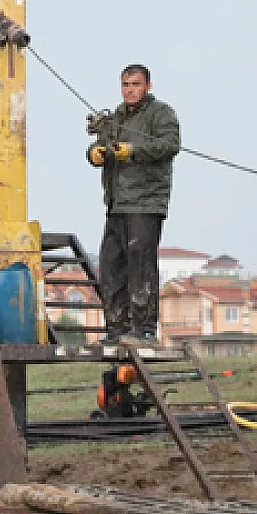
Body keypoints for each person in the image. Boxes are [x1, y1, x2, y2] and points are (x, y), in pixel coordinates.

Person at [86, 64, 180, 344]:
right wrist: (95, 154)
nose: (130, 90)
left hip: (146, 202)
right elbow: (96, 147)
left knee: (141, 265)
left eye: (135, 84)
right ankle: (116, 329)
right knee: (111, 266)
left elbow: (170, 145)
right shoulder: (114, 119)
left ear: (147, 86)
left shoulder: (160, 113)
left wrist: (134, 152)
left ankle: (144, 328)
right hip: (117, 204)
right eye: (125, 84)